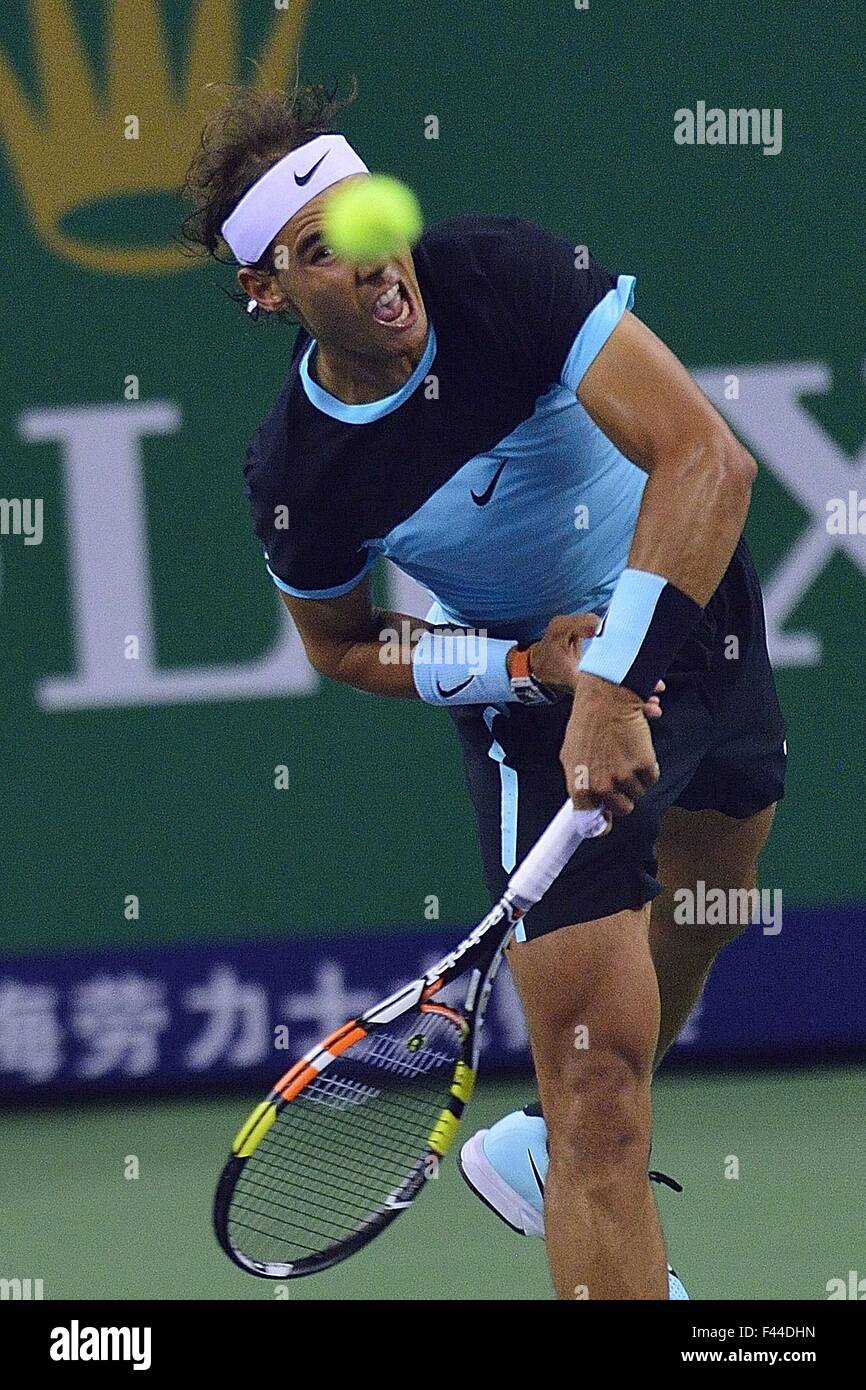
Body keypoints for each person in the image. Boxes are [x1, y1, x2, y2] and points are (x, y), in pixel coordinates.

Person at [183, 81, 786, 1299]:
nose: (366, 262)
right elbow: (344, 647)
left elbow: (705, 459)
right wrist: (525, 671)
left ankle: (530, 1153)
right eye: (314, 251)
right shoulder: (302, 472)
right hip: (536, 722)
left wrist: (613, 675)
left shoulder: (501, 275)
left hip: (689, 614)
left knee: (715, 896)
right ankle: (575, 1154)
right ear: (266, 293)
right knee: (599, 1097)